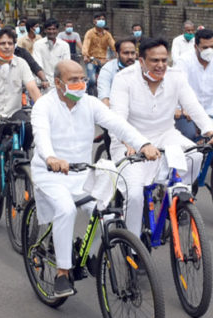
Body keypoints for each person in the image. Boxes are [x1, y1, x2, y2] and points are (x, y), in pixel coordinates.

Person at [31, 59, 159, 297]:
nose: (80, 84)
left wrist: (144, 143)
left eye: (83, 79)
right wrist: (50, 158)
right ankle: (62, 272)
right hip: (50, 173)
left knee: (107, 214)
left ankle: (91, 255)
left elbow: (117, 124)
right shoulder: (44, 105)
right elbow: (41, 135)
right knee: (66, 209)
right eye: (73, 80)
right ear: (58, 83)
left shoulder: (90, 103)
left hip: (82, 172)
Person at [109, 37, 213, 241]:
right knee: (135, 195)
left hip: (165, 134)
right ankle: (133, 244)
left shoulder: (176, 76)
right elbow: (118, 119)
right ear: (141, 61)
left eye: (164, 60)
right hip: (130, 141)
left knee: (195, 156)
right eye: (155, 60)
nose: (161, 65)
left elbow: (194, 107)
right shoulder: (124, 78)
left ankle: (176, 200)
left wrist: (212, 133)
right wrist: (133, 144)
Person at [0, 28, 41, 219]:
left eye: (10, 43)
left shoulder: (21, 63)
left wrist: (43, 109)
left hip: (13, 112)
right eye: (2, 43)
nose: (7, 46)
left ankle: (19, 160)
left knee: (29, 127)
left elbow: (32, 88)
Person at [82, 13, 116, 94]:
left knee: (106, 79)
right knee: (92, 80)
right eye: (98, 19)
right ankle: (86, 92)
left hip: (104, 61)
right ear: (94, 21)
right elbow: (86, 44)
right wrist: (85, 55)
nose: (101, 21)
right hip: (91, 60)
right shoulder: (90, 33)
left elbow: (114, 45)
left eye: (103, 19)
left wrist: (117, 53)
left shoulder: (107, 34)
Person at [97, 37, 137, 106]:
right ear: (117, 54)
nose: (130, 57)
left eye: (133, 53)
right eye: (126, 53)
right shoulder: (107, 69)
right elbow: (104, 96)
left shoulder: (142, 67)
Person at [32, 18, 70, 87]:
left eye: (54, 29)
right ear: (45, 30)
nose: (51, 31)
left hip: (59, 82)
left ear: (57, 30)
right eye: (49, 29)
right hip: (44, 83)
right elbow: (38, 64)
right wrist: (43, 80)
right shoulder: (38, 44)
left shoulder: (64, 45)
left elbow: (66, 65)